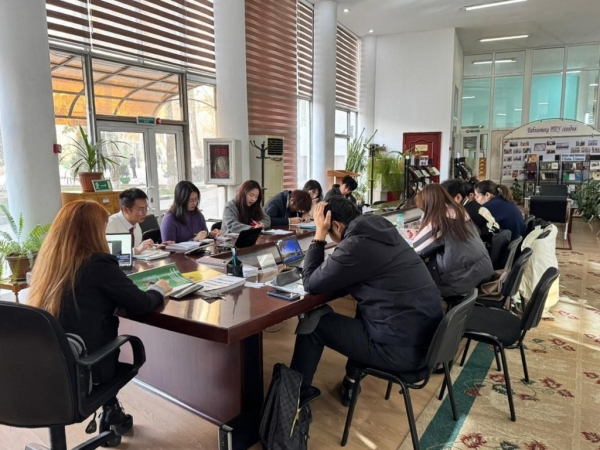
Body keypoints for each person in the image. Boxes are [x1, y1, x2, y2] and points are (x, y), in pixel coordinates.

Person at [28, 200, 173, 443]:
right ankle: (111, 413)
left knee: (93, 335)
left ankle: (112, 413)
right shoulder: (97, 264)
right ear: (93, 231)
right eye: (104, 228)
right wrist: (159, 288)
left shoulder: (49, 263)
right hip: (83, 368)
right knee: (102, 342)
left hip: (40, 369)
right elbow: (141, 304)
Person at [290, 197, 443, 406]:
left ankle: (296, 399)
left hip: (402, 352)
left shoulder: (355, 245)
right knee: (364, 310)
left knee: (313, 324)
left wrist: (319, 235)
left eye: (327, 229)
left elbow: (310, 283)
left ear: (336, 226)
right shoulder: (381, 230)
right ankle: (351, 382)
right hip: (429, 342)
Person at [405, 184, 494, 298]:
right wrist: (419, 234)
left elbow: (418, 248)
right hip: (483, 272)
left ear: (428, 205)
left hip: (461, 282)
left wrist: (418, 235)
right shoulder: (460, 211)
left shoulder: (440, 219)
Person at [106, 188, 155, 255]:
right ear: (125, 210)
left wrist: (154, 247)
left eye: (146, 208)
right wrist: (136, 250)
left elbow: (138, 249)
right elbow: (112, 253)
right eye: (140, 209)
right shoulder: (110, 225)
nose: (144, 213)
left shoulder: (135, 223)